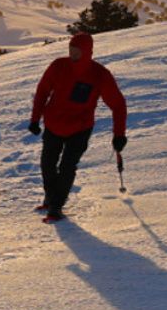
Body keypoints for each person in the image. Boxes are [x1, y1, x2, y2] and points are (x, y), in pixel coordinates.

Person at [28, 32, 127, 223]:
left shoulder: (99, 75)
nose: (72, 54)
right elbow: (42, 92)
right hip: (54, 124)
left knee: (67, 167)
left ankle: (56, 207)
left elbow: (118, 104)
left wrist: (119, 134)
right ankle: (50, 198)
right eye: (71, 50)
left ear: (87, 52)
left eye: (77, 51)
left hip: (80, 129)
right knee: (47, 164)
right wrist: (35, 119)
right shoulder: (59, 66)